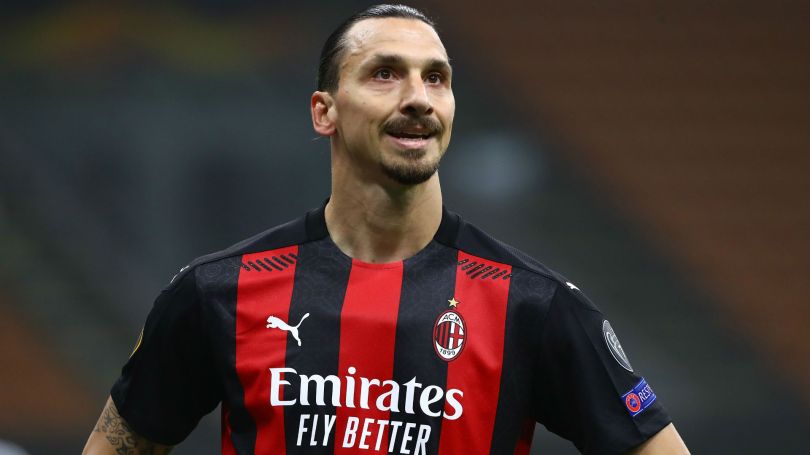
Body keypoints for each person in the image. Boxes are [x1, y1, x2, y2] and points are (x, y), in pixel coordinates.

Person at [83, 4, 689, 455]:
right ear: (324, 111)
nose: (419, 97)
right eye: (385, 74)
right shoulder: (218, 292)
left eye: (436, 78)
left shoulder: (533, 305)